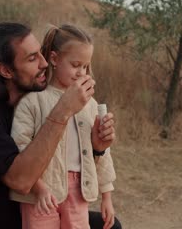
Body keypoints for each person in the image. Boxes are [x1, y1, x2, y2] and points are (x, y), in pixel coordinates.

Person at [0, 22, 121, 229]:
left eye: (41, 54)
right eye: (32, 58)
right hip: (4, 222)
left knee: (111, 226)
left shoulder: (40, 99)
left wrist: (98, 148)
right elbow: (21, 180)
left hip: (55, 205)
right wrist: (63, 111)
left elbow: (69, 157)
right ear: (6, 70)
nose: (43, 63)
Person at [10, 24, 116, 229]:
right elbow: (20, 148)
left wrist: (107, 196)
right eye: (76, 64)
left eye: (85, 66)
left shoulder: (91, 105)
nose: (81, 72)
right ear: (54, 59)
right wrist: (38, 188)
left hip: (79, 190)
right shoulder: (33, 102)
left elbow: (104, 152)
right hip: (40, 191)